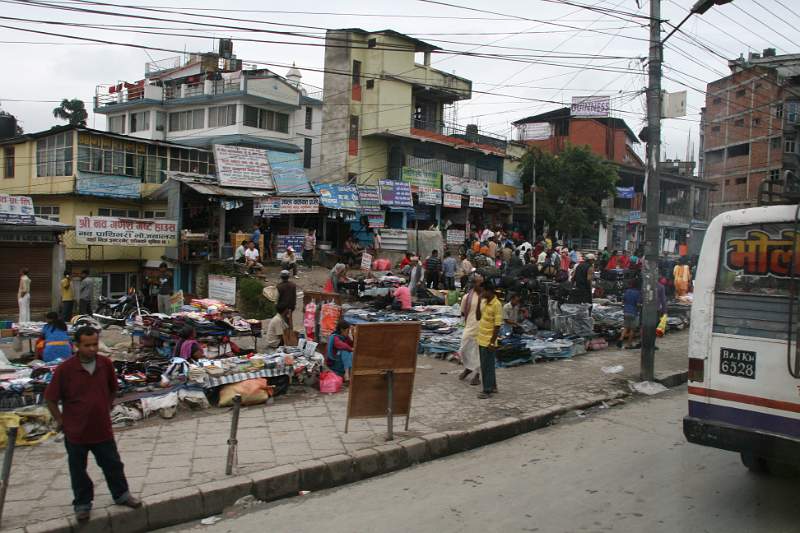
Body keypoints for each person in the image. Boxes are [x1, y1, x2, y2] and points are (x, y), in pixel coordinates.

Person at [44, 327, 142, 522]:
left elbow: (113, 389)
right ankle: (82, 504)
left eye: (94, 344)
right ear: (77, 346)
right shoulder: (66, 369)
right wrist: (61, 421)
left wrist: (105, 408)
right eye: (87, 345)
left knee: (113, 464)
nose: (92, 349)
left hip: (101, 429)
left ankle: (122, 494)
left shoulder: (105, 364)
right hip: (76, 432)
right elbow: (51, 398)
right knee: (78, 470)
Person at [476, 281, 502, 399]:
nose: (482, 293)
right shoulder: (485, 302)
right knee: (488, 365)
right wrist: (478, 302)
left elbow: (497, 325)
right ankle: (493, 386)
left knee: (486, 366)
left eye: (483, 291)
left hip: (488, 340)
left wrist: (492, 341)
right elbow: (478, 317)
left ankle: (487, 390)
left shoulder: (496, 304)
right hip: (481, 338)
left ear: (489, 291)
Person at [458, 272, 484, 386]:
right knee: (464, 349)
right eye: (479, 283)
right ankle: (468, 368)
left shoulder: (486, 297)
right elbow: (463, 313)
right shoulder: (467, 297)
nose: (482, 285)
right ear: (474, 284)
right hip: (470, 327)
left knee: (478, 352)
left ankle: (477, 374)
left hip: (482, 329)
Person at [620, 279, 642, 349]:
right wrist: (641, 306)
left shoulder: (627, 291)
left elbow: (623, 301)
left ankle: (620, 340)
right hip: (633, 312)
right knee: (632, 329)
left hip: (626, 311)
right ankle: (629, 344)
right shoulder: (637, 293)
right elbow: (638, 304)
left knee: (626, 327)